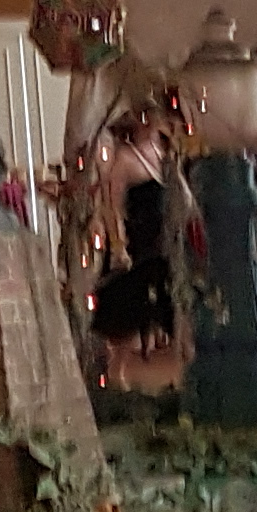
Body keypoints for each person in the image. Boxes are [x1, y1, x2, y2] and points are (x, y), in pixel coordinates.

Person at [85, 104, 175, 386]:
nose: (149, 123)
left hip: (163, 245)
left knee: (171, 312)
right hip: (137, 247)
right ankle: (117, 377)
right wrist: (118, 246)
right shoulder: (124, 158)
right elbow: (112, 206)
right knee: (128, 320)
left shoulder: (164, 151)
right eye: (144, 118)